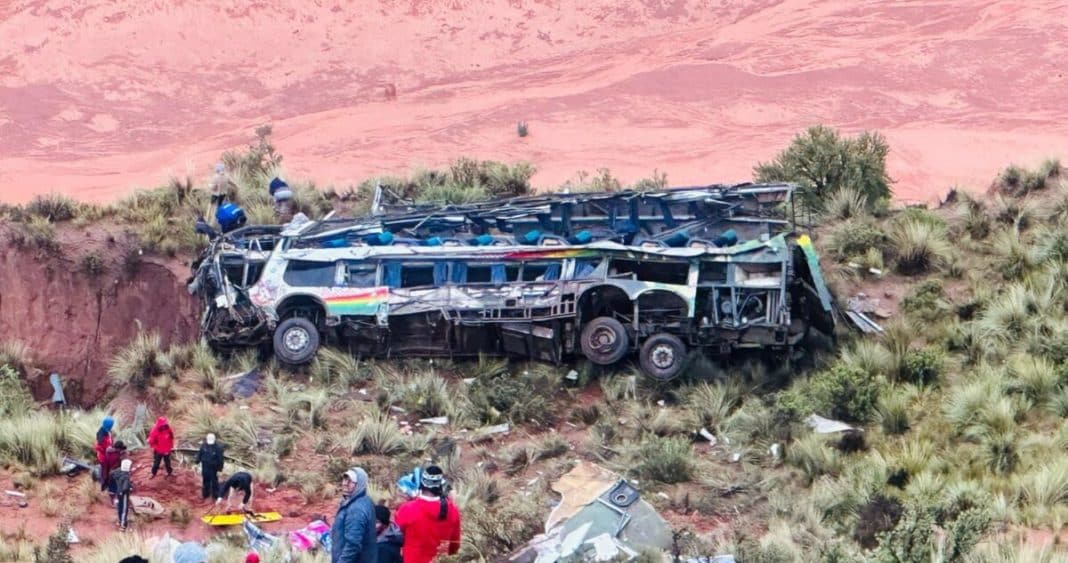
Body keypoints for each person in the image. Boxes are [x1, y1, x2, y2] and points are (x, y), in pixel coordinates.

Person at [395, 465, 461, 563]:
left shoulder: (407, 509)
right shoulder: (453, 510)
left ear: (422, 484)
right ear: (440, 485)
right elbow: (455, 545)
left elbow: (397, 535)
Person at [330, 467, 377, 563]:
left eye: (350, 481)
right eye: (344, 479)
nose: (344, 484)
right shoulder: (364, 500)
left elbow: (353, 544)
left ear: (359, 484)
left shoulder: (356, 509)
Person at [195, 433, 224, 500]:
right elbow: (199, 454)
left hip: (214, 468)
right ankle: (205, 495)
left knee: (214, 482)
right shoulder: (203, 446)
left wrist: (220, 469)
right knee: (205, 481)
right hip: (205, 467)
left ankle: (215, 496)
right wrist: (197, 462)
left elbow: (220, 459)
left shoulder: (218, 448)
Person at [112, 458, 134, 531]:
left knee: (120, 507)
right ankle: (123, 525)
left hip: (118, 492)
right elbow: (125, 487)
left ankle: (119, 521)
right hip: (124, 494)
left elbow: (113, 476)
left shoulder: (118, 471)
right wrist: (130, 488)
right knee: (125, 509)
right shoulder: (126, 476)